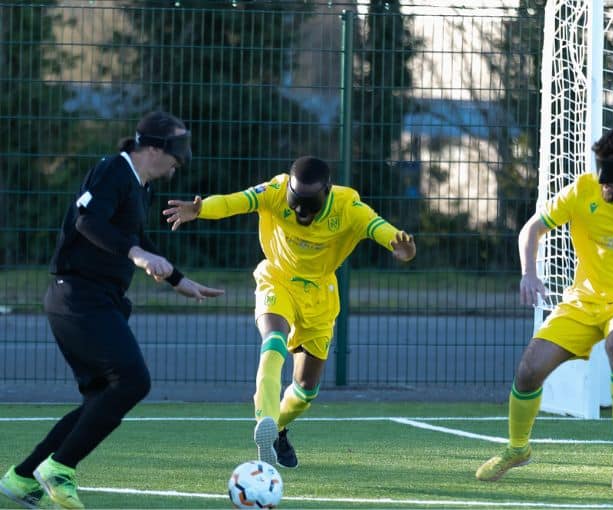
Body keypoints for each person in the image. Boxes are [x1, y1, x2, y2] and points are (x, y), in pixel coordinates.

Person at [0, 111, 224, 509]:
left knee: (101, 399)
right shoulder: (112, 171)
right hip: (77, 296)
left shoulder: (140, 187)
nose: (180, 161)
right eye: (177, 152)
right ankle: (60, 468)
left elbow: (138, 237)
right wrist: (135, 253)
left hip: (99, 300)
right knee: (132, 381)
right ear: (154, 148)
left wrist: (179, 280)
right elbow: (87, 222)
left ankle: (21, 478)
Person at [163, 156, 416, 468]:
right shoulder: (275, 189)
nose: (299, 213)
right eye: (295, 205)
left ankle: (277, 428)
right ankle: (264, 421)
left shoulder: (349, 207)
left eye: (308, 207)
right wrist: (201, 209)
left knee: (306, 390)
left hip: (320, 297)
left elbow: (380, 228)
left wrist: (399, 244)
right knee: (273, 341)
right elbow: (235, 202)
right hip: (277, 280)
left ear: (327, 193)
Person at [475, 127, 613, 492]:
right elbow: (532, 229)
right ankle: (517, 449)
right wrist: (529, 274)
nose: (605, 185)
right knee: (528, 370)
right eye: (602, 173)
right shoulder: (583, 189)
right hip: (582, 301)